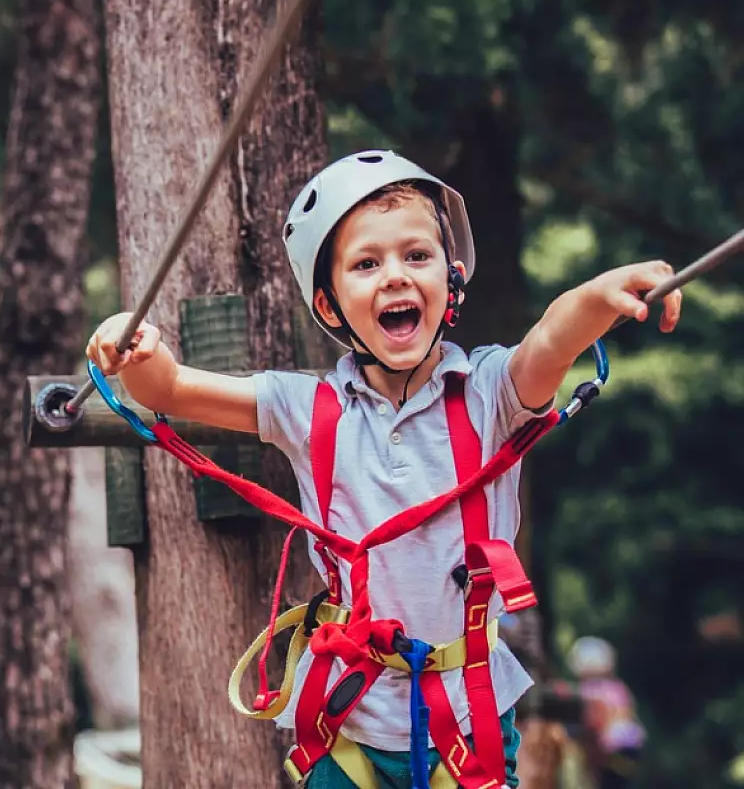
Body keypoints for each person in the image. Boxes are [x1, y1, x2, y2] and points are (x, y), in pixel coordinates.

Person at [85, 150, 680, 788]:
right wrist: (134, 345)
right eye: (367, 264)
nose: (395, 276)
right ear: (330, 303)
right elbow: (173, 390)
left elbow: (551, 340)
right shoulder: (306, 407)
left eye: (415, 256)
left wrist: (594, 299)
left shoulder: (490, 394)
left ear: (450, 279)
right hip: (349, 722)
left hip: (467, 713)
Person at [567, 636, 646, 788]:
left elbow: (621, 713)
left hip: (610, 747)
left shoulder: (609, 690)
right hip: (600, 748)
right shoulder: (602, 689)